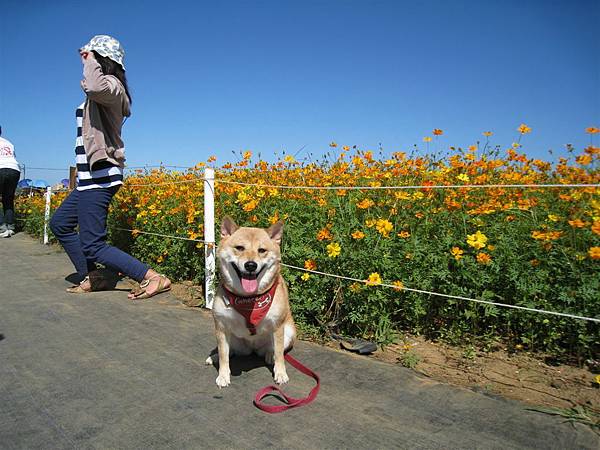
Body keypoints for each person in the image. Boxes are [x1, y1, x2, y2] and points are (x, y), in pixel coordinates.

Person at [49, 35, 171, 299]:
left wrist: (89, 58)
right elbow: (91, 88)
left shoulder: (112, 87)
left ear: (103, 60)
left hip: (100, 177)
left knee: (93, 244)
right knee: (60, 223)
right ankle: (94, 275)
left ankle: (153, 277)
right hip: (88, 178)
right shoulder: (103, 91)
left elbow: (93, 86)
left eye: (94, 55)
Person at [0, 126, 21, 238]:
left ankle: (2, 228)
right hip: (14, 169)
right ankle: (10, 227)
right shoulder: (8, 143)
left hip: (1, 168)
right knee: (8, 199)